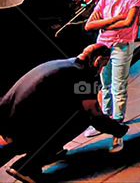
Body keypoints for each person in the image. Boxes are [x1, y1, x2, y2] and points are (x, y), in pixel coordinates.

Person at [0, 45, 129, 182]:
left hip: (7, 117)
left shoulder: (65, 64)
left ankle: (51, 151)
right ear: (98, 60)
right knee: (82, 119)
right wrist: (118, 129)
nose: (102, 69)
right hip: (22, 128)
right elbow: (94, 114)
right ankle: (26, 167)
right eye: (104, 64)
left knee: (68, 109)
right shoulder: (83, 75)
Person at [82, 0, 140, 149]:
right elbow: (88, 25)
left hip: (121, 46)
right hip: (103, 47)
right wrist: (112, 21)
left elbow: (128, 21)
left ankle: (117, 125)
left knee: (119, 86)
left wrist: (103, 24)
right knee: (105, 84)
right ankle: (105, 119)